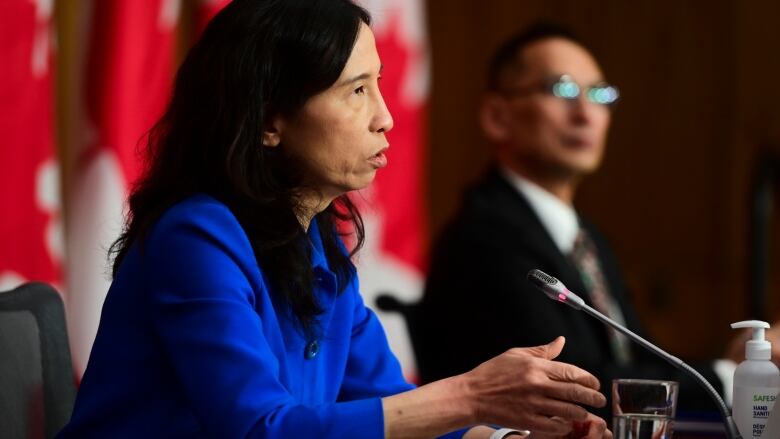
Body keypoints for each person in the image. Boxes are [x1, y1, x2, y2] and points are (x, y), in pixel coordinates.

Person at [57, 2, 613, 438]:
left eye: (380, 85)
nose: (386, 118)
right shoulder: (197, 238)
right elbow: (258, 430)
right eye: (357, 91)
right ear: (269, 120)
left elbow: (395, 410)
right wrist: (472, 393)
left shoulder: (316, 248)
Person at [418, 22, 779, 419]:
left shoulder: (586, 238)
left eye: (600, 94)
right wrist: (732, 376)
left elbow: (641, 365)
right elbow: (578, 385)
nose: (586, 113)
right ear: (496, 116)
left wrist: (738, 366)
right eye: (563, 90)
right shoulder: (484, 238)